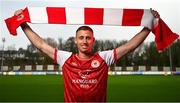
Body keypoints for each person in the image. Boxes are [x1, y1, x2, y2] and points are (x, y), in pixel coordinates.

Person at [14, 8, 159, 102]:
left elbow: (130, 46)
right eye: (81, 38)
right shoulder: (65, 58)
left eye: (88, 38)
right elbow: (40, 44)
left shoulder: (104, 57)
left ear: (93, 40)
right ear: (76, 41)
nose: (84, 41)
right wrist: (22, 23)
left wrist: (149, 26)